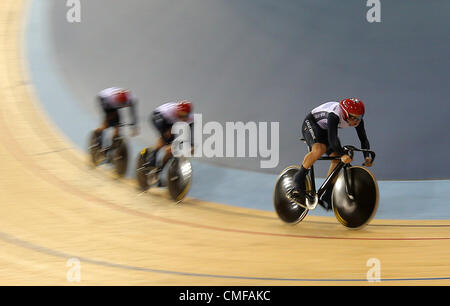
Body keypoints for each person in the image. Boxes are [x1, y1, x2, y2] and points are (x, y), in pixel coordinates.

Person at [288, 98, 373, 210]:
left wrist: (366, 156)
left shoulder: (357, 120)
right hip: (312, 123)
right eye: (354, 118)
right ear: (346, 114)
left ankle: (328, 194)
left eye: (360, 117)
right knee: (319, 149)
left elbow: (363, 139)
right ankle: (298, 177)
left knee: (337, 160)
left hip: (325, 129)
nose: (357, 121)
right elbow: (332, 139)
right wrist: (343, 154)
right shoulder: (335, 115)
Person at [146, 100, 194, 170]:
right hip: (159, 116)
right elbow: (163, 131)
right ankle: (153, 155)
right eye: (181, 116)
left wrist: (191, 146)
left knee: (172, 148)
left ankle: (159, 170)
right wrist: (167, 143)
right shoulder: (168, 112)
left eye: (185, 116)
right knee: (166, 137)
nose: (183, 119)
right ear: (177, 111)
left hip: (170, 121)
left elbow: (189, 133)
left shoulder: (190, 118)